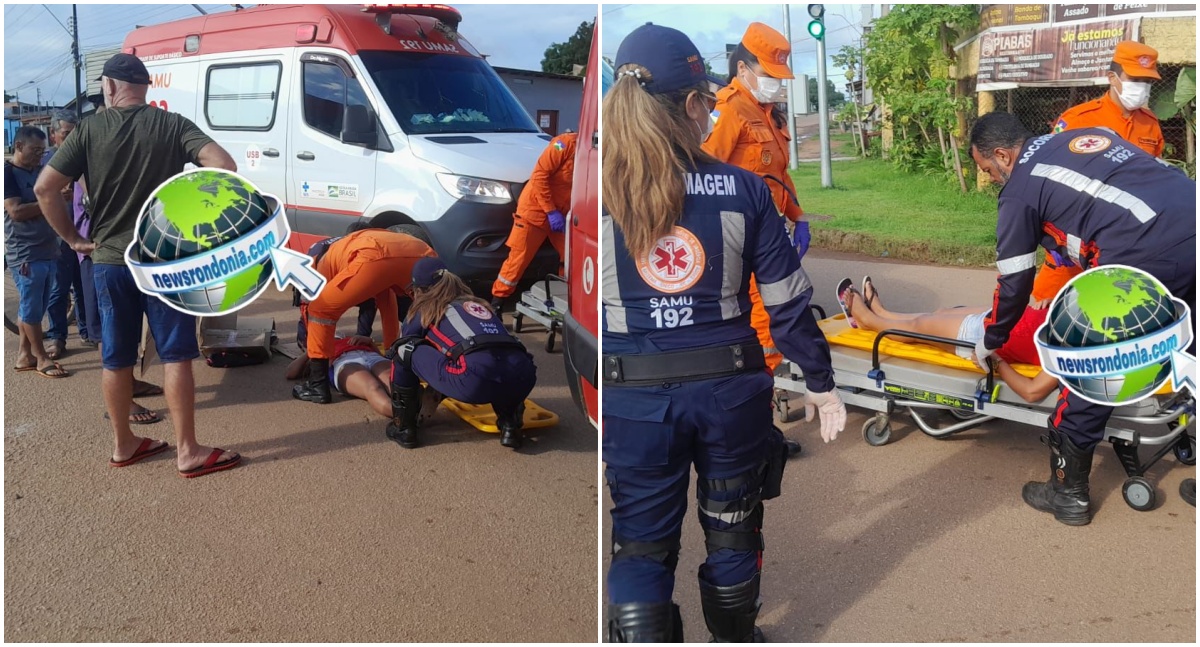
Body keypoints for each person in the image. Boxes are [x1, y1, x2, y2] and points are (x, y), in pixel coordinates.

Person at [601, 24, 846, 642]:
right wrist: (820, 384)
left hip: (631, 399)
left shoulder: (591, 193)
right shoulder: (741, 188)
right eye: (707, 102)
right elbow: (788, 303)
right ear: (690, 105)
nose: (711, 112)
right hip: (731, 394)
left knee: (641, 546)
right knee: (734, 529)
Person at [969, 111, 1195, 525]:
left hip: (1144, 251)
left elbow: (1015, 281)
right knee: (1191, 354)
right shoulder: (1083, 136)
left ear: (1002, 155)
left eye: (988, 169)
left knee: (1091, 371)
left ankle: (1067, 493)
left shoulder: (1021, 188)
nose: (992, 178)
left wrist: (991, 338)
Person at [35, 53, 242, 477]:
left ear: (110, 88)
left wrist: (75, 240)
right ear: (146, 88)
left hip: (109, 261)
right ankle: (187, 451)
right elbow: (224, 166)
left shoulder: (89, 129)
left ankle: (124, 444)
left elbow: (44, 188)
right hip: (163, 263)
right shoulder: (172, 124)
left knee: (116, 358)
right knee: (176, 357)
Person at [703, 23, 809, 378]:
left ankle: (766, 380)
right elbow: (702, 171)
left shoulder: (767, 112)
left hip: (769, 228)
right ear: (743, 69)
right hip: (737, 232)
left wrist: (800, 216)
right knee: (763, 310)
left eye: (780, 78)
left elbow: (779, 174)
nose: (776, 85)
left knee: (778, 303)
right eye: (769, 75)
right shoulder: (727, 109)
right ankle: (762, 388)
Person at [1031, 41, 1168, 307]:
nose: (1142, 87)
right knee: (1043, 312)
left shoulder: (1149, 124)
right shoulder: (1078, 120)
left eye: (1147, 81)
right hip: (1076, 236)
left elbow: (1156, 181)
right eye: (1135, 79)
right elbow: (1046, 176)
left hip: (1128, 240)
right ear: (1112, 77)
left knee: (1115, 310)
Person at [389, 257, 537, 449]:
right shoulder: (479, 304)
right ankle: (510, 424)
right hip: (523, 376)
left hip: (473, 380)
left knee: (403, 350)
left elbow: (404, 340)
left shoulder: (426, 307)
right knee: (495, 361)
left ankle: (403, 428)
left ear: (419, 290)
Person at [840, 277, 1060, 404]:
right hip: (1003, 318)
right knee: (939, 313)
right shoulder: (1084, 321)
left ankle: (867, 319)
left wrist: (997, 362)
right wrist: (1052, 302)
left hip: (985, 338)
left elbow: (1033, 392)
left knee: (922, 325)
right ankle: (881, 312)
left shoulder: (1072, 354)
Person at [292, 227, 436, 405]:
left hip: (372, 254)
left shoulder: (314, 264)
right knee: (433, 310)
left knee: (320, 311)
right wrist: (390, 354)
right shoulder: (339, 247)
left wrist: (310, 349)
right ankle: (441, 366)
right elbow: (386, 303)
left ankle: (317, 386)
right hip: (420, 253)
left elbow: (309, 311)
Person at [5, 126, 69, 379]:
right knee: (31, 308)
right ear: (19, 146)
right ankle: (41, 358)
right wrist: (49, 201)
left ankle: (24, 355)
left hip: (47, 248)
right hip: (25, 251)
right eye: (34, 151)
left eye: (43, 152)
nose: (39, 157)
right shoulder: (7, 174)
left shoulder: (39, 171)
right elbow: (16, 212)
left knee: (37, 306)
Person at [490, 131, 576, 312]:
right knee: (518, 260)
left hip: (562, 214)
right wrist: (550, 210)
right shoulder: (562, 144)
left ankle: (569, 303)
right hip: (535, 212)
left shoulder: (593, 152)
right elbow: (539, 175)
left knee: (573, 257)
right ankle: (496, 305)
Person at [42, 109, 86, 358]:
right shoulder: (48, 162)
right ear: (54, 135)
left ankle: (86, 331)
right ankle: (57, 336)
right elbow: (41, 196)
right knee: (59, 289)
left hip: (82, 233)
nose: (71, 139)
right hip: (58, 237)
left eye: (75, 133)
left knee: (82, 286)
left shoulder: (83, 160)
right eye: (66, 134)